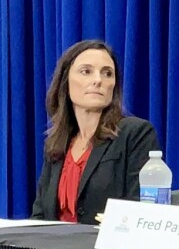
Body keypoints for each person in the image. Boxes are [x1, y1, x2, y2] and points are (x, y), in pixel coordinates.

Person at [31, 40, 160, 225]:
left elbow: (140, 211)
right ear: (65, 82)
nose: (98, 80)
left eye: (107, 73)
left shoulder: (135, 134)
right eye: (86, 71)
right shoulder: (55, 145)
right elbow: (40, 215)